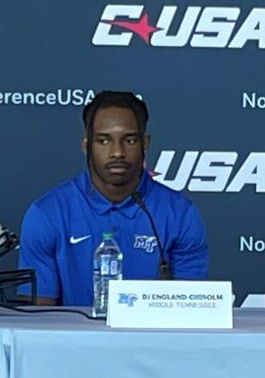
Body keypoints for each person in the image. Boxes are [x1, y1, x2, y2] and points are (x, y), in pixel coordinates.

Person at [19, 91, 208, 306]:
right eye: (103, 140)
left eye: (129, 139)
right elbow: (38, 322)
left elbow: (191, 310)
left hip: (153, 340)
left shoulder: (181, 215)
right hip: (73, 340)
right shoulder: (47, 214)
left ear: (145, 143)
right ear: (86, 145)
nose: (117, 152)